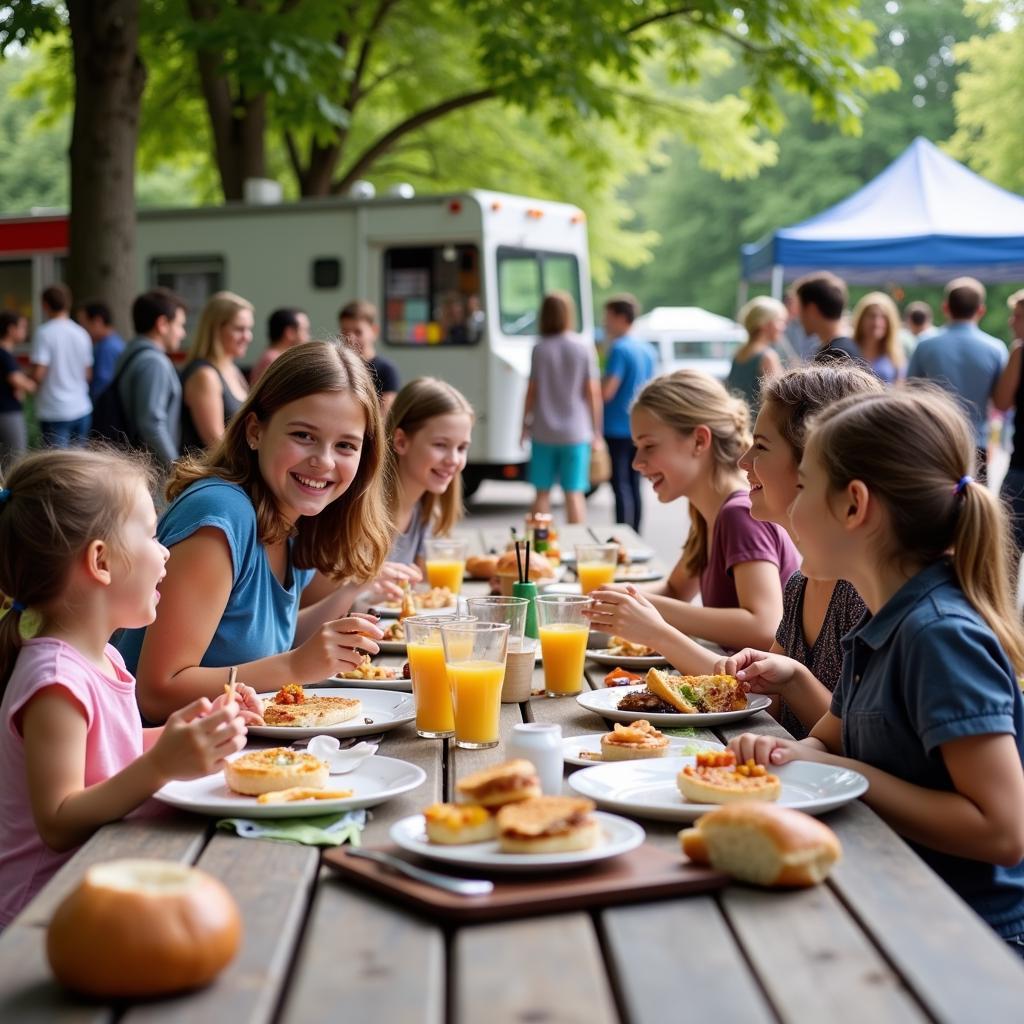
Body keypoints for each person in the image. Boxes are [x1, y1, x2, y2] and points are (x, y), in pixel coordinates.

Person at [729, 386, 1024, 953]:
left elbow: (1002, 830)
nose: (791, 508)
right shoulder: (882, 623)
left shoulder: (939, 636)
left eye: (806, 486)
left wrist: (849, 779)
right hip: (893, 892)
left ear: (854, 505)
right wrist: (781, 753)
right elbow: (826, 744)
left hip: (969, 936)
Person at [0, 449, 255, 926]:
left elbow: (106, 754)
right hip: (42, 915)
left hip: (102, 879)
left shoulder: (105, 657)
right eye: (154, 536)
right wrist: (161, 765)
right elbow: (58, 820)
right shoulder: (55, 681)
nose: (165, 553)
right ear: (101, 561)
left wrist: (189, 732)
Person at [119, 340, 394, 724]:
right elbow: (156, 693)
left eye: (346, 445)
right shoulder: (219, 515)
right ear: (254, 431)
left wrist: (347, 609)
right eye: (303, 435)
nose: (323, 460)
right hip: (161, 767)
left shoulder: (293, 517)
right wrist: (296, 666)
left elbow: (257, 643)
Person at [715, 364, 884, 737]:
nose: (743, 462)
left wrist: (794, 681)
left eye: (760, 446)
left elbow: (863, 742)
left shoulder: (864, 595)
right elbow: (765, 706)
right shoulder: (800, 584)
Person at [585, 370, 799, 657]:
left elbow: (764, 625)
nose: (637, 462)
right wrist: (615, 599)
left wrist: (643, 609)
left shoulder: (739, 514)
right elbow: (675, 590)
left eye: (649, 446)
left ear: (699, 441)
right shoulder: (705, 512)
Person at [907, 277, 1006, 478]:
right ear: (981, 310)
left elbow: (910, 393)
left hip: (935, 440)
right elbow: (1000, 401)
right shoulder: (996, 349)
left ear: (945, 308)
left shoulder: (925, 345)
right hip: (977, 443)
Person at [521, 291, 602, 525]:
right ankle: (577, 548)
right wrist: (596, 431)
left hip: (543, 430)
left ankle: (539, 547)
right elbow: (593, 393)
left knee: (541, 493)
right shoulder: (583, 347)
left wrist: (523, 425)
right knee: (574, 492)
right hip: (576, 432)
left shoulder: (539, 348)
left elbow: (531, 392)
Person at [386, 377, 474, 565]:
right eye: (441, 445)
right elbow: (316, 594)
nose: (454, 460)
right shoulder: (363, 511)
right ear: (401, 441)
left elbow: (424, 584)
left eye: (461, 448)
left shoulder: (425, 510)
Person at [114, 288, 188, 472]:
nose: (182, 333)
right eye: (179, 325)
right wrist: (177, 468)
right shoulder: (154, 363)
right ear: (162, 324)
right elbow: (151, 423)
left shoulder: (132, 352)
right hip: (152, 470)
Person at [602, 294, 656, 532]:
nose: (605, 323)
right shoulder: (647, 349)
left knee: (620, 484)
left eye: (609, 317)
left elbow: (608, 390)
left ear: (621, 318)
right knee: (635, 483)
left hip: (616, 427)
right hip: (640, 426)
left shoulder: (619, 349)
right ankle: (635, 532)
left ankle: (622, 534)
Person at [180, 291, 254, 452]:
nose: (248, 336)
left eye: (249, 329)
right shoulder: (204, 375)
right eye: (239, 329)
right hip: (214, 473)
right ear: (216, 329)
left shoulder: (232, 369)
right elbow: (216, 443)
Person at [29, 284, 93, 447]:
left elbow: (38, 374)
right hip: (82, 407)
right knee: (78, 466)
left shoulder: (44, 333)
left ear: (45, 305)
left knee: (57, 467)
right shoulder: (82, 333)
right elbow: (88, 374)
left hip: (54, 410)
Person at [991, 289, 1024, 553]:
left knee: (1008, 547)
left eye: (1019, 317)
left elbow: (1001, 402)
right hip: (1019, 461)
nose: (1012, 322)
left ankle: (1006, 596)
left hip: (1020, 468)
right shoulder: (1019, 352)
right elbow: (1002, 403)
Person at [725, 296, 787, 413]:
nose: (784, 327)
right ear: (764, 324)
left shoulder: (738, 353)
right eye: (780, 321)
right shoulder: (767, 357)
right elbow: (776, 402)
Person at [339, 300, 400, 414]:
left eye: (358, 332)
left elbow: (385, 413)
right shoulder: (339, 366)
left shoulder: (386, 370)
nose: (350, 338)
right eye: (345, 331)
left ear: (374, 331)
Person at [793, 272, 861, 364]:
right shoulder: (845, 348)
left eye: (800, 309)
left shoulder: (835, 355)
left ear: (811, 310)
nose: (799, 317)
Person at [0, 311, 34, 468]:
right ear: (10, 329)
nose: (25, 331)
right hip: (7, 413)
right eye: (22, 327)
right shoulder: (3, 354)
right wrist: (32, 385)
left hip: (7, 411)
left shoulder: (6, 354)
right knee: (15, 460)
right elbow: (17, 380)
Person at [851, 292, 906, 385]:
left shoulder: (896, 356)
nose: (876, 322)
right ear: (861, 319)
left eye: (883, 317)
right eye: (871, 316)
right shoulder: (848, 351)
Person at [250, 307, 310, 385]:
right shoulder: (275, 361)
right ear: (290, 333)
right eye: (305, 330)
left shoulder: (273, 358)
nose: (308, 336)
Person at [81, 300, 126, 402]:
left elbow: (102, 384)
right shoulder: (113, 342)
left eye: (84, 324)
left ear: (98, 321)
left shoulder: (106, 348)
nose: (82, 329)